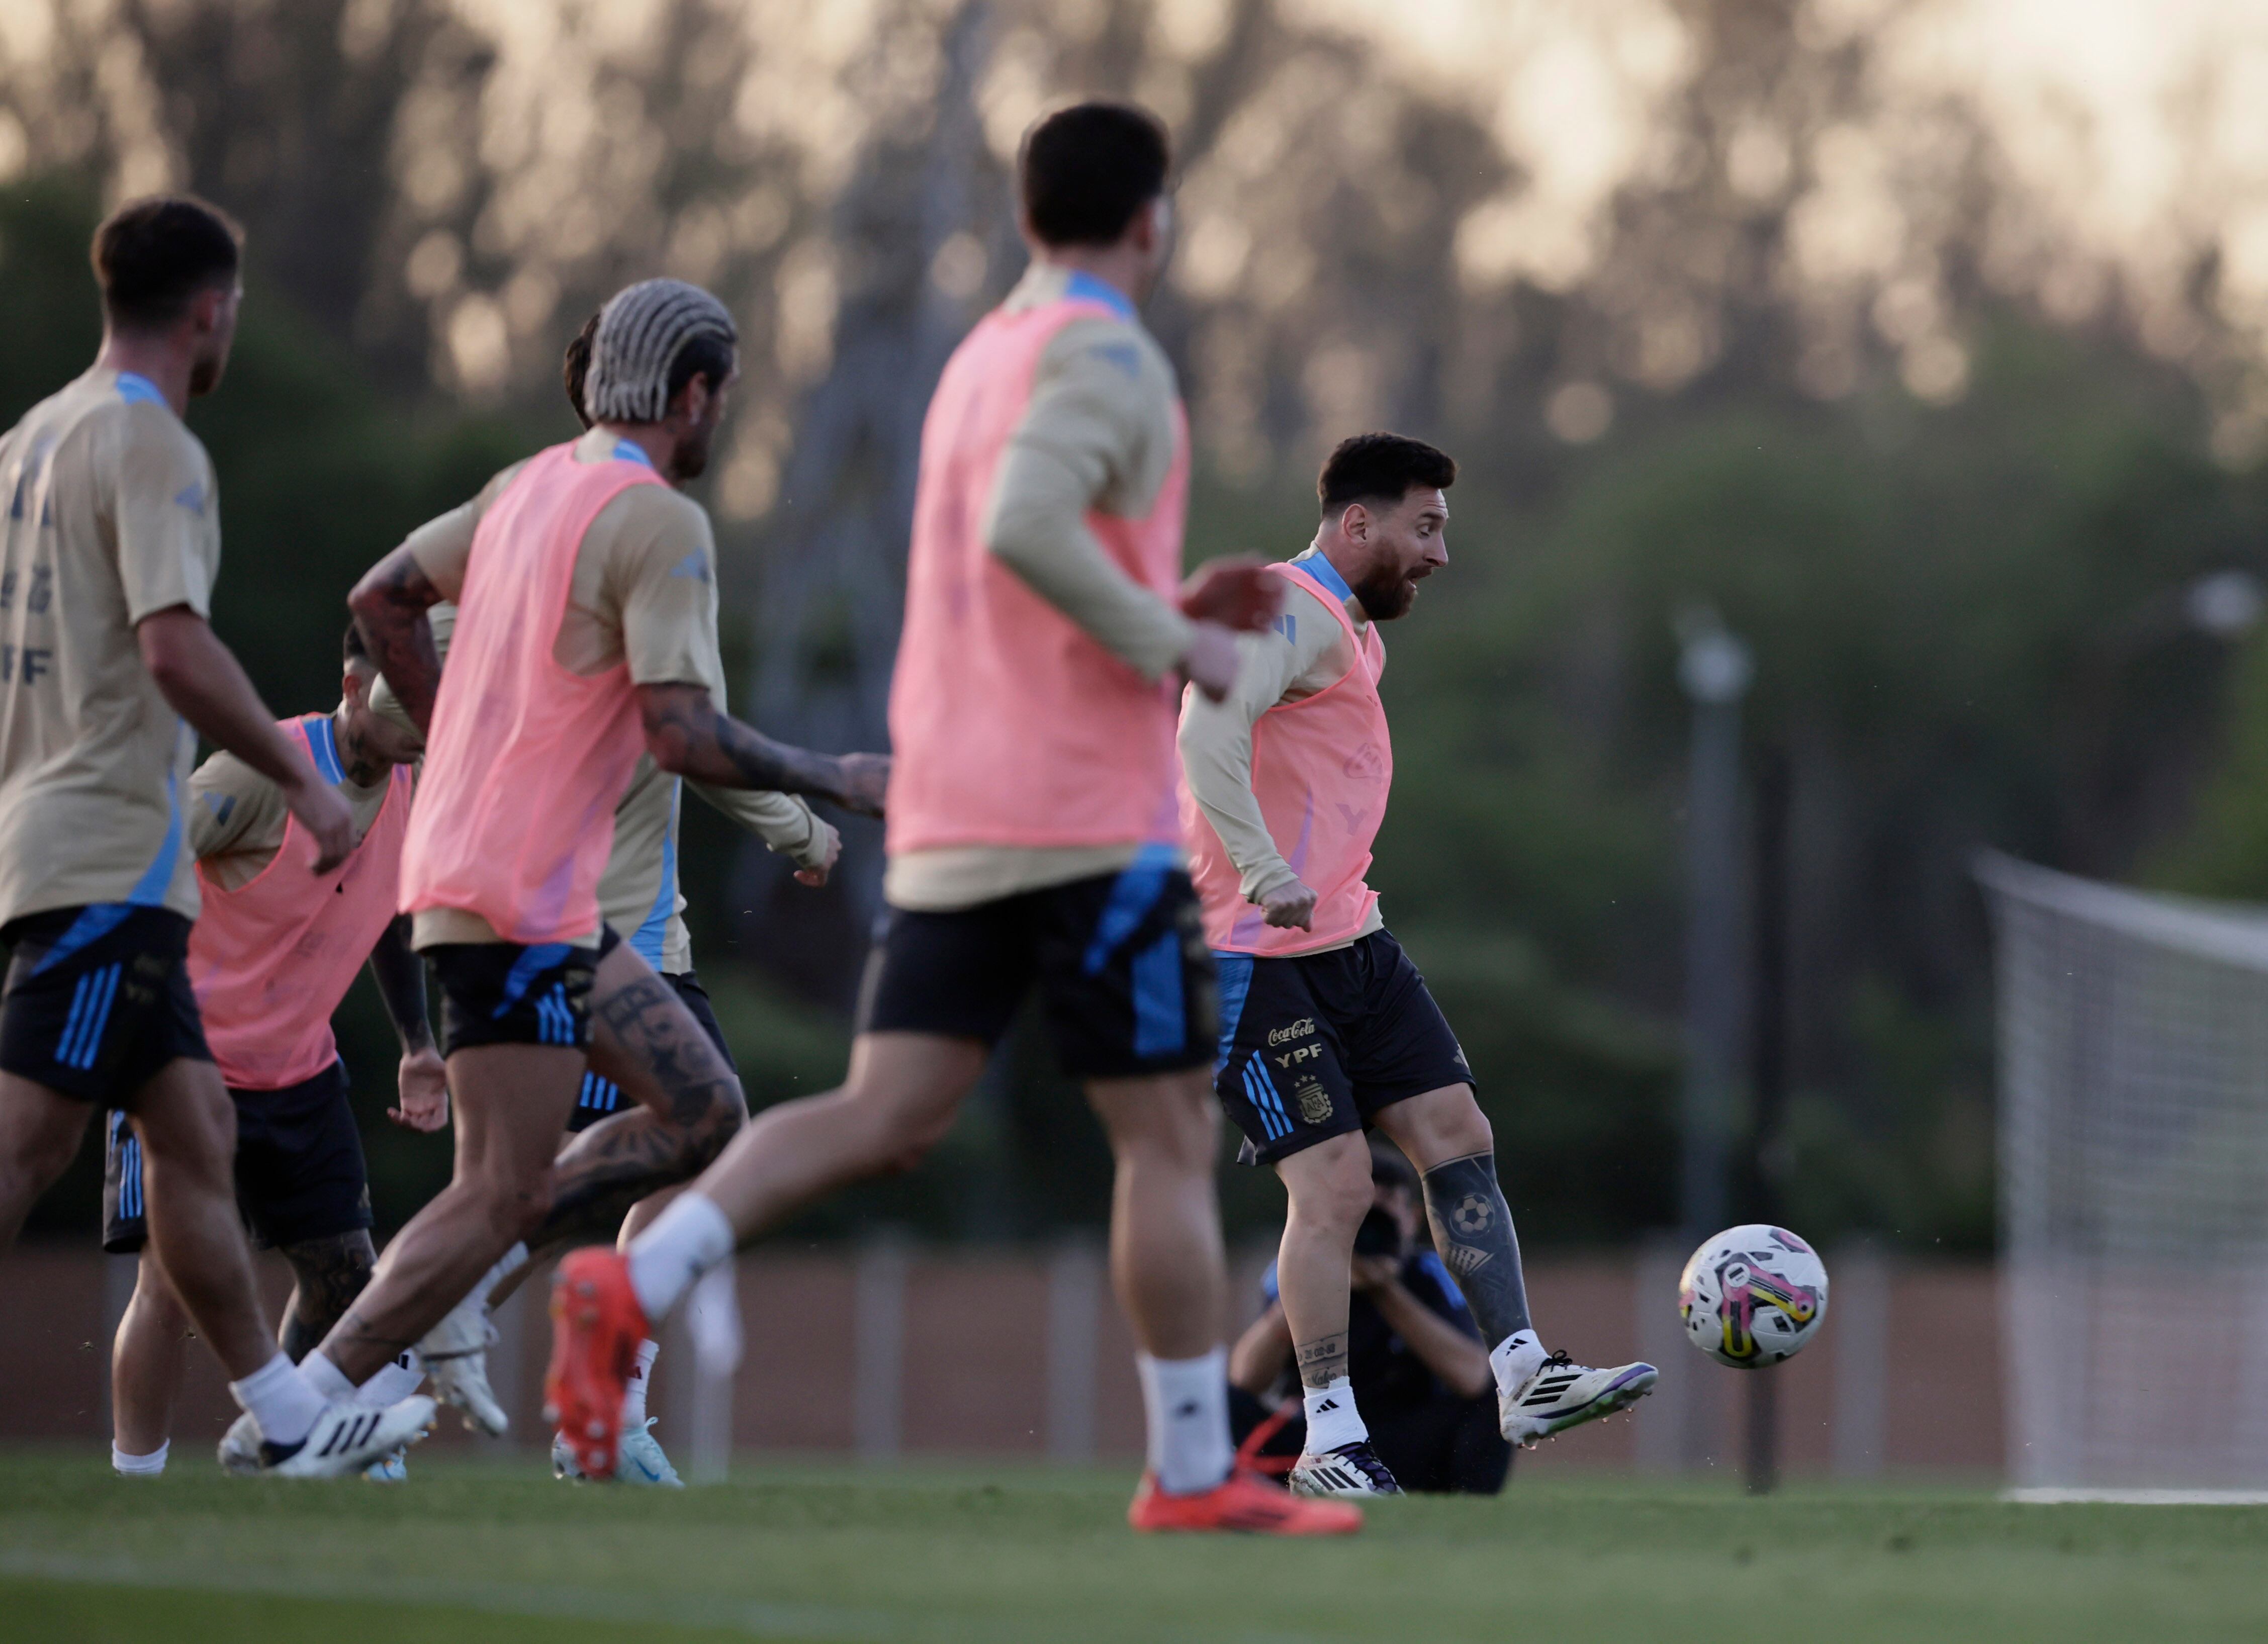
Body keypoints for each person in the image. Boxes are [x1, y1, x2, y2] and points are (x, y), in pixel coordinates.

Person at [544, 101, 1356, 1537]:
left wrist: (1165, 606)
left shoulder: (984, 354)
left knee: (887, 1108)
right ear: (1150, 218)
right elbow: (1025, 533)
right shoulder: (1108, 352)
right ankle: (1184, 1470)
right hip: (1084, 821)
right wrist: (1184, 648)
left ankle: (634, 1276)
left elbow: (1020, 561)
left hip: (954, 805)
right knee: (1165, 1134)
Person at [288, 277, 887, 1428]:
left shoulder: (524, 489)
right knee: (518, 1187)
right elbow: (683, 733)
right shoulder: (657, 519)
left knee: (684, 1118)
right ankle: (311, 1397)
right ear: (696, 393)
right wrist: (837, 778)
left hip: (500, 890)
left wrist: (457, 722)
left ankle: (335, 1380)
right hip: (518, 894)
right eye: (725, 400)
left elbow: (381, 597)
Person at [0, 195, 432, 1476]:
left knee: (194, 1135)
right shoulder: (158, 448)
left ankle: (289, 1426)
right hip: (105, 852)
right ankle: (281, 1426)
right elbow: (174, 649)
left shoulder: (30, 438)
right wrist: (294, 785)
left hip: (61, 837)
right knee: (29, 1143)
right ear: (210, 310)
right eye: (235, 304)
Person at [1178, 431, 1656, 1498]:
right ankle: (1330, 1443)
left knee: (1456, 1135)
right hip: (1249, 954)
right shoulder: (1280, 605)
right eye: (1423, 527)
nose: (1438, 554)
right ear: (1357, 524)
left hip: (1348, 939)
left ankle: (1523, 1373)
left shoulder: (1343, 628)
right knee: (1336, 1187)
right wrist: (1259, 871)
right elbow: (1202, 735)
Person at [105, 622, 445, 1480]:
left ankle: (283, 1448)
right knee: (170, 1289)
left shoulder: (410, 788)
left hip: (300, 1070)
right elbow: (146, 866)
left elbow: (396, 918)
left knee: (344, 1279)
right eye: (399, 695)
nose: (416, 717)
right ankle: (133, 1487)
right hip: (187, 1068)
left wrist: (418, 1044)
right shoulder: (263, 772)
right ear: (350, 681)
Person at [1230, 1138, 1511, 1495]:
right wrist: (1313, 1282)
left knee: (1498, 1391)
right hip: (1310, 1436)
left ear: (1411, 1219)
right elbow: (1243, 1379)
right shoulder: (1293, 1270)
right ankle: (1242, 1490)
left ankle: (1472, 1505)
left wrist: (1386, 1289)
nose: (1367, 1230)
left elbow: (1472, 1378)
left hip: (1405, 1432)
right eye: (1358, 1218)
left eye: (1381, 1218)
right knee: (1220, 1399)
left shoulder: (1428, 1273)